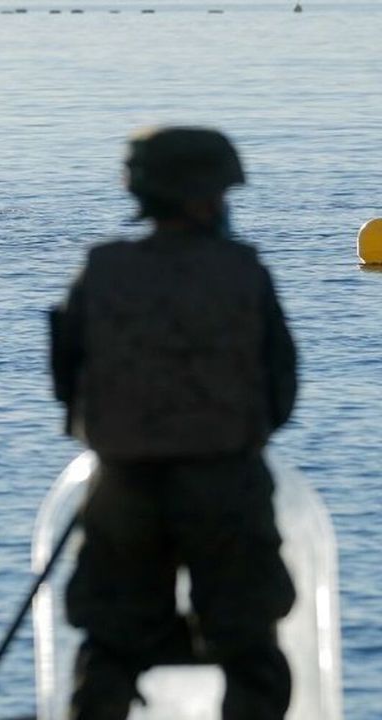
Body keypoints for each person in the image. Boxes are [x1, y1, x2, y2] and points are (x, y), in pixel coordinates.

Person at [49, 127, 297, 720]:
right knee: (249, 649)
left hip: (122, 488)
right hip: (226, 485)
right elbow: (281, 385)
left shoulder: (102, 269)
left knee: (112, 647)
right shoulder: (242, 271)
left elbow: (66, 376)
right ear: (206, 198)